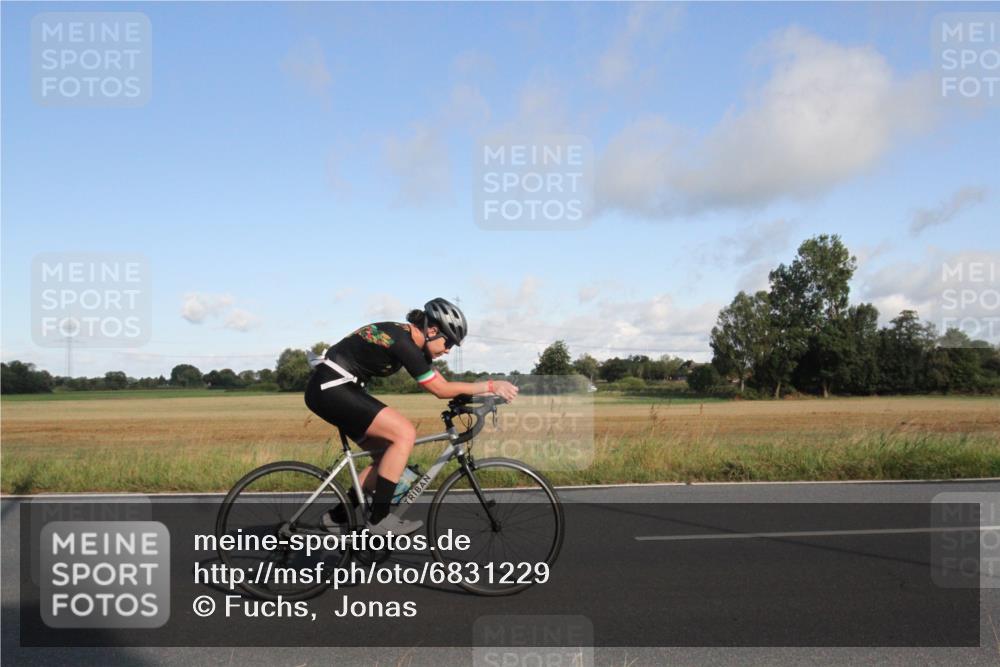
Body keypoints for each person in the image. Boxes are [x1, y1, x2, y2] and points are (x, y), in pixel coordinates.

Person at [304, 297, 519, 536]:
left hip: (337, 388)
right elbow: (440, 389)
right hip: (331, 387)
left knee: (388, 454)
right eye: (448, 342)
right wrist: (490, 385)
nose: (448, 351)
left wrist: (474, 399)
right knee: (404, 433)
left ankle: (336, 517)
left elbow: (445, 384)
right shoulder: (403, 342)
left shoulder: (409, 340)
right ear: (432, 329)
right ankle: (379, 520)